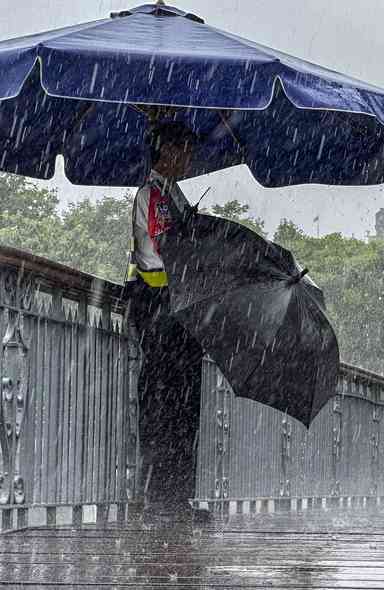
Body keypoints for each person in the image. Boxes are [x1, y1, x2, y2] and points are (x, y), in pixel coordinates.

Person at [124, 121, 205, 521]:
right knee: (162, 406)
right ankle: (160, 498)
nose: (189, 159)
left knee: (185, 407)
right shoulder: (152, 195)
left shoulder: (174, 195)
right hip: (160, 310)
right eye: (185, 150)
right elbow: (158, 254)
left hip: (179, 313)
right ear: (168, 152)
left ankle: (178, 497)